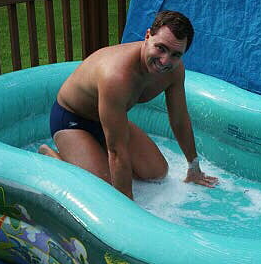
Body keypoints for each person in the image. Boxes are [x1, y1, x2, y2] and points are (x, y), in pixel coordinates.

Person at [39, 11, 218, 199]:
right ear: (147, 36)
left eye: (175, 54)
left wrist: (194, 167)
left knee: (157, 173)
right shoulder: (116, 76)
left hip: (107, 120)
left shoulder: (174, 71)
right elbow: (117, 151)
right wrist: (128, 207)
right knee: (103, 190)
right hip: (73, 120)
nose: (165, 61)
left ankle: (93, 155)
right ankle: (54, 158)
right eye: (161, 48)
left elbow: (179, 119)